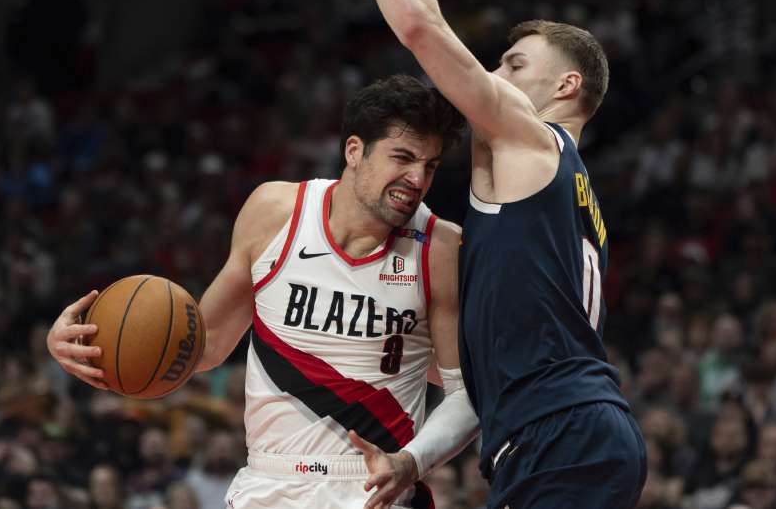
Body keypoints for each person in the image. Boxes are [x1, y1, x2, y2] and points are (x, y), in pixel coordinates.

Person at [316, 0, 645, 506]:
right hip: (553, 436)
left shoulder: (534, 144)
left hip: (562, 435)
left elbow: (420, 28)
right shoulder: (563, 208)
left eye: (514, 64)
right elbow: (487, 391)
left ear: (566, 88)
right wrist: (412, 461)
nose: (492, 75)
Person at [48, 75, 478, 509]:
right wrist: (92, 347)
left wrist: (412, 462)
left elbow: (467, 391)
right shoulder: (276, 211)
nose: (417, 178)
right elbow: (206, 344)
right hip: (266, 482)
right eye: (402, 157)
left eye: (430, 165)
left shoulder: (439, 248)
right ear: (354, 151)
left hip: (370, 486)